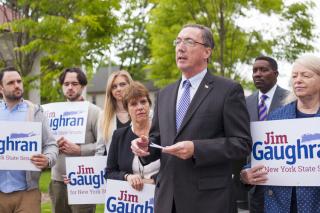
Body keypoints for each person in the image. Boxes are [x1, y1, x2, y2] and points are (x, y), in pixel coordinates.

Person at [131, 24, 252, 213]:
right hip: (167, 200)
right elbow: (158, 139)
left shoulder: (228, 90)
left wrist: (197, 149)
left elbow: (242, 144)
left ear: (207, 52)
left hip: (209, 201)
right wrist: (146, 147)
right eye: (178, 41)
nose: (180, 47)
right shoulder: (164, 94)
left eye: (189, 41)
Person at [241, 55, 320, 212]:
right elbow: (265, 156)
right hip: (279, 205)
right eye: (294, 76)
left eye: (305, 75)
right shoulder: (277, 116)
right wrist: (246, 174)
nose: (297, 80)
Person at [0, 67, 58, 213]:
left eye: (19, 81)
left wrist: (47, 159)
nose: (17, 85)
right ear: (1, 88)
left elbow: (51, 145)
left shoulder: (35, 111)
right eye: (11, 82)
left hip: (27, 193)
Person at [236, 56, 289, 212]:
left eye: (263, 70)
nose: (257, 74)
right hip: (255, 183)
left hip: (284, 180)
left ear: (276, 73)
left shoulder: (290, 99)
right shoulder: (244, 102)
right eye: (254, 70)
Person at [49, 67, 101, 213]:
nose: (70, 87)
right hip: (58, 180)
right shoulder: (53, 113)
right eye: (66, 84)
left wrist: (80, 150)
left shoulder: (95, 112)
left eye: (74, 83)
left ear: (83, 86)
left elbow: (104, 147)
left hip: (83, 180)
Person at [106, 81, 160, 190]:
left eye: (143, 102)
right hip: (132, 201)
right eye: (134, 104)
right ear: (127, 109)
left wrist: (154, 180)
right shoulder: (119, 135)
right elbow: (109, 172)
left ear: (149, 104)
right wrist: (127, 177)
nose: (140, 107)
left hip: (161, 196)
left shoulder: (162, 131)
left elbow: (174, 168)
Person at [95, 70, 133, 156]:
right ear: (110, 92)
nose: (118, 89)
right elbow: (100, 149)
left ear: (131, 86)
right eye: (114, 87)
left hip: (139, 167)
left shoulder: (144, 112)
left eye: (122, 84)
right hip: (114, 168)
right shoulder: (104, 115)